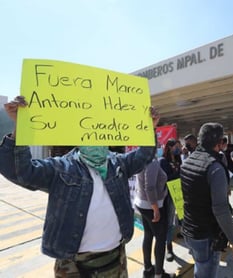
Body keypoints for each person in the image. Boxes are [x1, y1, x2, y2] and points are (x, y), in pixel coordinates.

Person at [0, 96, 159, 277]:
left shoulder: (118, 164)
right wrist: (20, 127)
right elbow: (20, 172)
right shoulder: (62, 168)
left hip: (116, 259)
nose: (96, 137)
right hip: (74, 267)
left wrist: (149, 127)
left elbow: (144, 156)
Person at [180, 122, 233, 278]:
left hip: (189, 229)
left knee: (200, 268)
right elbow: (221, 210)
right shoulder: (215, 168)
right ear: (219, 143)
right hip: (206, 235)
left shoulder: (188, 161)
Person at [135, 158, 175, 278]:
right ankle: (158, 274)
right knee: (160, 239)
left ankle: (148, 270)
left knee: (148, 235)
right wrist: (156, 209)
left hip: (143, 203)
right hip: (152, 206)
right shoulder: (151, 162)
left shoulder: (141, 159)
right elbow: (150, 187)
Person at [159, 138, 182, 262]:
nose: (178, 149)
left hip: (179, 193)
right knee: (169, 223)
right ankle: (169, 248)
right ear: (169, 147)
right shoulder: (163, 161)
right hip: (168, 196)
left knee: (181, 218)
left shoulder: (178, 159)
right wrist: (179, 173)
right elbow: (166, 178)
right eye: (176, 146)